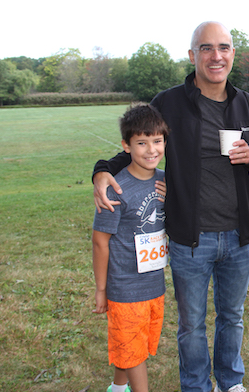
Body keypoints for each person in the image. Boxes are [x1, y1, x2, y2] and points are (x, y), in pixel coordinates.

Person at [92, 22, 249, 392]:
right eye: (206, 48)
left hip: (239, 235)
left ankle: (230, 382)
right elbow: (138, 143)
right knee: (191, 323)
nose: (215, 55)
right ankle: (195, 386)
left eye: (223, 47)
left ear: (233, 54)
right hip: (191, 237)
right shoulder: (169, 102)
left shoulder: (246, 104)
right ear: (193, 56)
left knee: (232, 317)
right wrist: (102, 170)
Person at [92, 103, 170, 392]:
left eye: (157, 141)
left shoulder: (165, 180)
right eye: (141, 143)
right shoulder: (115, 188)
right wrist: (102, 289)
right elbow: (100, 242)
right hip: (125, 286)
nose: (151, 150)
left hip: (154, 284)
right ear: (126, 145)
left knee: (132, 341)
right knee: (134, 350)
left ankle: (117, 386)